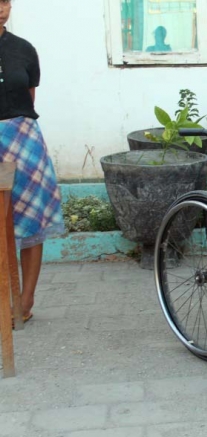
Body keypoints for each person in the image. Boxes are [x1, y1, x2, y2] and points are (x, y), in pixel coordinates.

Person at [0, 0, 65, 325]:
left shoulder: (25, 50)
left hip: (23, 139)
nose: (0, 8)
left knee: (31, 220)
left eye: (4, 1)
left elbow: (28, 99)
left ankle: (25, 300)